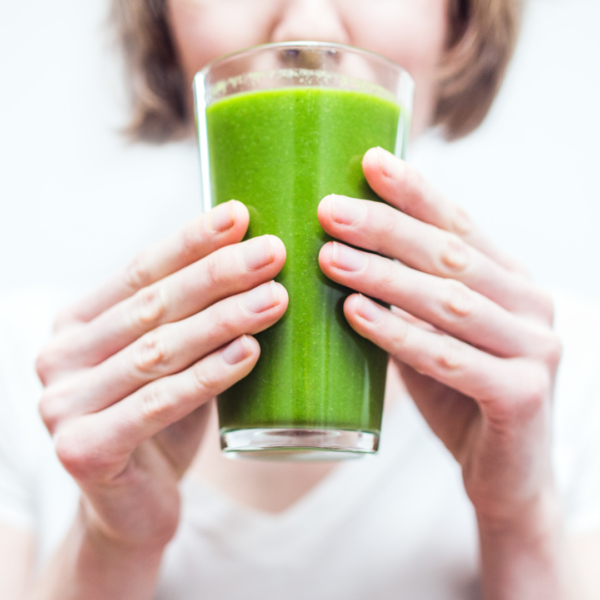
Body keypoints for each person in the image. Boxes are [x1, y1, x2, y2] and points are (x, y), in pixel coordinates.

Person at [1, 0, 600, 598]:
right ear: (163, 20)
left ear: (460, 21)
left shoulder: (567, 374)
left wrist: (520, 518)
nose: (310, 29)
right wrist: (110, 543)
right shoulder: (34, 367)